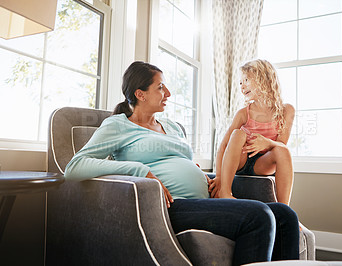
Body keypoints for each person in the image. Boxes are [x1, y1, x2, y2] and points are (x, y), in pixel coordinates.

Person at [64, 61, 299, 265]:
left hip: (204, 200)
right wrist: (137, 170)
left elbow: (181, 164)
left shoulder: (173, 127)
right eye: (160, 87)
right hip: (170, 205)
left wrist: (202, 175)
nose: (168, 93)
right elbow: (75, 167)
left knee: (285, 216)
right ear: (140, 94)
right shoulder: (118, 125)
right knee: (258, 215)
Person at [210, 59, 295, 205]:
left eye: (246, 80)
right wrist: (219, 176)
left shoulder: (286, 110)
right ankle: (225, 191)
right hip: (240, 162)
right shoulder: (243, 113)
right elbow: (223, 145)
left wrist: (266, 143)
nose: (242, 86)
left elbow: (281, 144)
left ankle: (284, 208)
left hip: (262, 165)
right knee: (237, 134)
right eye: (240, 83)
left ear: (263, 79)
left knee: (283, 151)